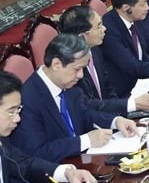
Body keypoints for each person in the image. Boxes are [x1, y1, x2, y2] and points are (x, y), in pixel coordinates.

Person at [11, 34, 139, 163]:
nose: (81, 75)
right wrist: (86, 141)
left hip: (82, 162)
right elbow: (37, 152)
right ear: (56, 64)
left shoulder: (68, 85)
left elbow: (86, 114)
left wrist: (115, 121)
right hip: (55, 170)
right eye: (77, 69)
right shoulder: (27, 100)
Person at [0, 71, 97, 183]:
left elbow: (24, 163)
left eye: (18, 110)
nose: (18, 118)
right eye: (11, 111)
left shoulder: (3, 139)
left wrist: (66, 173)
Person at [57, 6, 149, 114]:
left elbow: (108, 89)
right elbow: (88, 105)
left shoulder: (95, 50)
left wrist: (120, 114)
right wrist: (132, 105)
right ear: (82, 37)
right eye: (99, 26)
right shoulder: (70, 68)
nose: (104, 29)